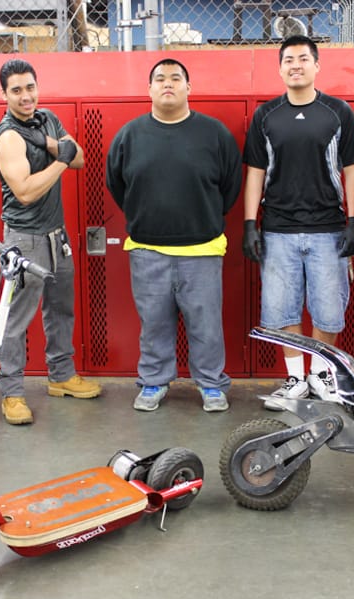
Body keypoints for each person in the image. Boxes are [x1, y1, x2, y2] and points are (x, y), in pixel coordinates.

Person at [106, 59, 242, 412]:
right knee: (153, 324)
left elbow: (230, 187)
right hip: (147, 249)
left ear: (188, 87)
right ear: (149, 89)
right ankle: (153, 382)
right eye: (160, 79)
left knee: (206, 326)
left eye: (176, 78)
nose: (168, 84)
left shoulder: (214, 134)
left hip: (203, 249)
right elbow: (117, 185)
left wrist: (202, 219)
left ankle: (211, 385)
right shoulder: (130, 135)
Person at [242, 34, 354, 409]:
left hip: (329, 230)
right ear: (280, 68)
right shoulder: (266, 115)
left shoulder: (337, 112)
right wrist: (250, 223)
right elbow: (255, 173)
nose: (295, 65)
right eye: (288, 59)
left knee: (329, 310)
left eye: (303, 59)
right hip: (278, 230)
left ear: (316, 65)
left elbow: (353, 172)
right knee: (282, 310)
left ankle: (322, 377)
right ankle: (295, 379)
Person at [0, 59, 100, 425]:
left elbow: (80, 160)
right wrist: (59, 160)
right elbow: (25, 191)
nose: (26, 96)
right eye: (17, 90)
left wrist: (49, 142)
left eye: (30, 87)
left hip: (57, 235)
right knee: (16, 321)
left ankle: (61, 376)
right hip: (25, 239)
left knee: (60, 308)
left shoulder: (47, 119)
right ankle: (13, 394)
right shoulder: (8, 135)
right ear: (5, 94)